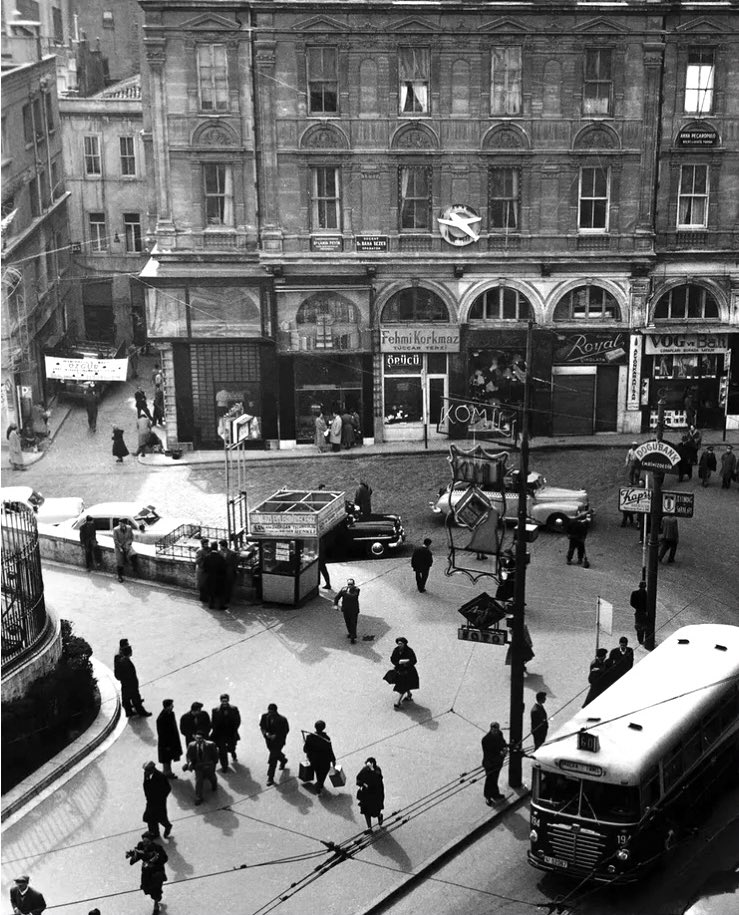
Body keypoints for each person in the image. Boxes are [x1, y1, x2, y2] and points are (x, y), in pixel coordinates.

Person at [128, 831, 168, 915]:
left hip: (157, 871)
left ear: (151, 841)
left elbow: (164, 858)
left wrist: (154, 863)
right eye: (144, 841)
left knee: (156, 888)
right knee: (147, 887)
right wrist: (133, 855)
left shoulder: (158, 848)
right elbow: (137, 856)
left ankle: (156, 904)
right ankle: (157, 898)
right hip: (146, 871)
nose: (145, 843)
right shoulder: (141, 845)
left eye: (147, 842)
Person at [114, 640, 151, 717]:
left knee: (126, 696)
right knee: (135, 697)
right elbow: (130, 675)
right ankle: (141, 711)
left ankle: (129, 711)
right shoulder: (125, 661)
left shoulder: (121, 659)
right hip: (130, 683)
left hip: (125, 682)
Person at [183, 731, 219, 805]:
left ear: (203, 738)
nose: (199, 740)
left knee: (212, 777)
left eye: (200, 738)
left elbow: (215, 756)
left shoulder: (210, 745)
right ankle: (199, 797)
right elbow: (188, 756)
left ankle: (214, 785)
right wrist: (189, 763)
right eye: (197, 738)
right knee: (199, 781)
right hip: (198, 766)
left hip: (208, 765)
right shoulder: (191, 745)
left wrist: (213, 765)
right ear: (195, 738)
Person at [259, 702, 290, 785]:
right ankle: (283, 759)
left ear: (276, 711)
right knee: (275, 754)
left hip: (278, 742)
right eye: (269, 712)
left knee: (273, 758)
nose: (270, 714)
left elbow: (286, 730)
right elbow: (262, 727)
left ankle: (270, 777)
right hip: (269, 741)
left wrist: (276, 735)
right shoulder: (264, 716)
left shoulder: (282, 719)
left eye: (272, 712)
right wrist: (266, 734)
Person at [302, 720, 336, 795]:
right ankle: (319, 785)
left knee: (317, 772)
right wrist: (333, 760)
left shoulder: (310, 737)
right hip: (324, 761)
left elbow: (305, 750)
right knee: (322, 774)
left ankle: (319, 783)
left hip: (313, 760)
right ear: (324, 728)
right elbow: (330, 751)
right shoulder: (326, 738)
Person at [211, 693, 241, 772]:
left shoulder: (234, 709)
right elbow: (213, 722)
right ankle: (224, 766)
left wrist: (234, 729)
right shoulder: (215, 710)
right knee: (222, 750)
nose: (224, 702)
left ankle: (233, 752)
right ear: (220, 701)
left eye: (226, 701)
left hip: (231, 732)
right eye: (223, 701)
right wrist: (216, 731)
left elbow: (238, 720)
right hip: (220, 734)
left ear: (228, 700)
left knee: (232, 747)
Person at [142, 761, 173, 838]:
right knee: (150, 817)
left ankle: (167, 826)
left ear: (152, 769)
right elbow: (146, 786)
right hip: (150, 800)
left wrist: (161, 798)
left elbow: (168, 788)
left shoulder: (160, 776)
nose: (146, 772)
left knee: (161, 817)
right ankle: (154, 832)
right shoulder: (147, 775)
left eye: (148, 770)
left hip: (159, 802)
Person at [481, 722, 507, 805]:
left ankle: (495, 794)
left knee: (495, 778)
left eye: (497, 730)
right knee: (489, 780)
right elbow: (489, 753)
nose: (496, 732)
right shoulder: (485, 740)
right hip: (490, 763)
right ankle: (487, 796)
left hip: (498, 761)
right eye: (494, 730)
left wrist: (505, 748)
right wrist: (501, 753)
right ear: (491, 729)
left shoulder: (499, 734)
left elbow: (503, 743)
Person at [390, 637, 419, 709]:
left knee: (402, 686)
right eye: (398, 644)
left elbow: (414, 660)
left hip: (408, 671)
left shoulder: (409, 651)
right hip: (399, 670)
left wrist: (406, 663)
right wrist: (397, 663)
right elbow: (392, 659)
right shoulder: (396, 650)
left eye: (401, 644)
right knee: (405, 685)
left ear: (404, 643)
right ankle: (409, 694)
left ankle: (398, 702)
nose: (399, 645)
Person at [356, 757, 385, 831]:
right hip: (366, 794)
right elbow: (358, 779)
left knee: (375, 811)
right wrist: (363, 784)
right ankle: (369, 827)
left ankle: (379, 815)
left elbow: (378, 780)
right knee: (366, 811)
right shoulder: (365, 769)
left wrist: (372, 770)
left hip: (376, 795)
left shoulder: (377, 770)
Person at [156, 699, 182, 779]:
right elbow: (162, 734)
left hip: (172, 741)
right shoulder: (161, 718)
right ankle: (167, 773)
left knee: (169, 758)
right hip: (166, 743)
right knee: (166, 759)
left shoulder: (170, 714)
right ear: (167, 706)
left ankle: (168, 772)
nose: (172, 706)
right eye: (171, 705)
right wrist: (166, 745)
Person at [333, 578, 361, 644]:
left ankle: (353, 637)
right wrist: (335, 605)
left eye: (351, 584)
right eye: (349, 584)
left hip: (354, 610)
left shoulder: (356, 590)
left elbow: (354, 596)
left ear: (354, 584)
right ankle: (350, 633)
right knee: (347, 622)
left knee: (353, 623)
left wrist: (346, 592)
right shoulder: (343, 590)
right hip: (346, 609)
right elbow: (337, 597)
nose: (350, 586)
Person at [203, 539, 227, 610]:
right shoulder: (220, 558)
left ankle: (211, 604)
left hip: (210, 577)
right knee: (220, 592)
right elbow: (223, 568)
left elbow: (205, 567)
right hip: (219, 577)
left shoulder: (207, 557)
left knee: (211, 591)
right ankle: (220, 606)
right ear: (217, 548)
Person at [218, 539, 239, 608]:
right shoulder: (219, 553)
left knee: (228, 586)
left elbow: (235, 563)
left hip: (229, 572)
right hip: (222, 572)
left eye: (220, 546)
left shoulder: (232, 553)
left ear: (223, 546)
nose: (220, 547)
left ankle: (227, 599)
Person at [630, 580, 648, 646]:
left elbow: (632, 603)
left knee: (640, 627)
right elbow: (632, 603)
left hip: (639, 612)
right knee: (642, 627)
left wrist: (638, 608)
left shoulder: (635, 593)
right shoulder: (646, 594)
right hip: (642, 612)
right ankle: (642, 640)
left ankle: (641, 640)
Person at [194, 538, 210, 603]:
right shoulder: (200, 551)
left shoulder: (209, 549)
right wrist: (205, 563)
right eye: (205, 544)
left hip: (208, 570)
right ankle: (203, 597)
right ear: (202, 544)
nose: (207, 545)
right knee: (202, 585)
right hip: (202, 571)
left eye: (207, 544)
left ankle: (207, 597)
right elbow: (198, 561)